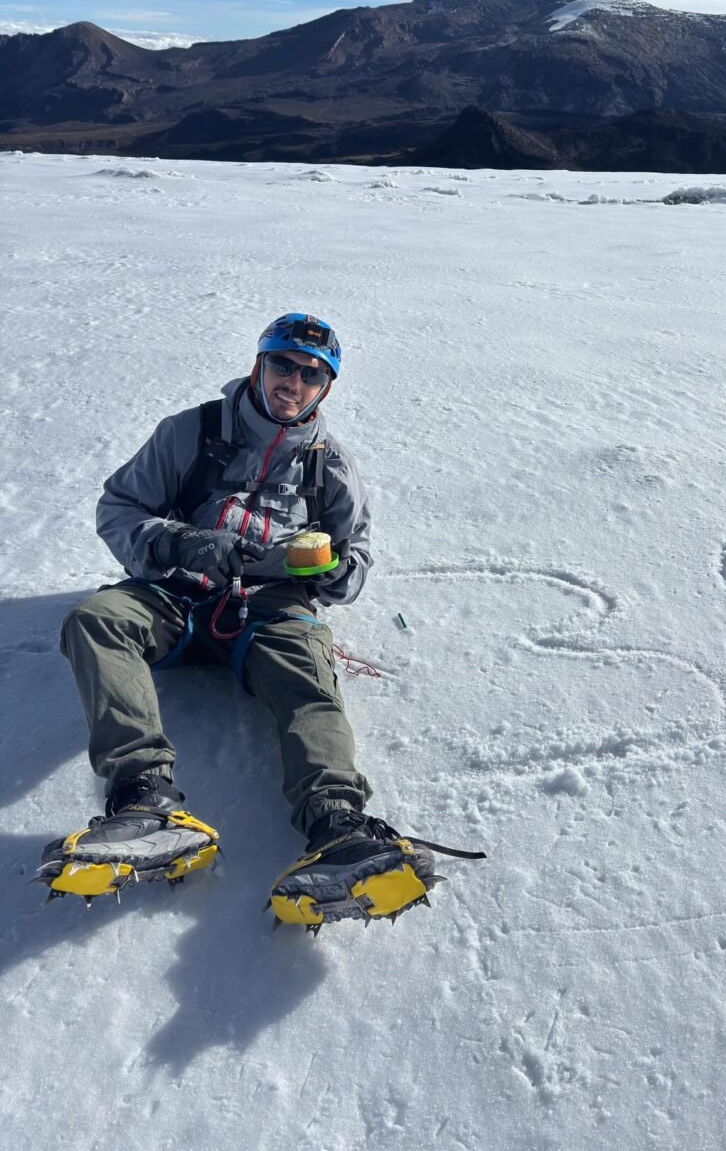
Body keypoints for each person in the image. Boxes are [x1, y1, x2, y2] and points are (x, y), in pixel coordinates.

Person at [38, 313, 481, 931]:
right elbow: (119, 507)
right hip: (174, 592)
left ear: (326, 387)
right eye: (282, 365)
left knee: (307, 676)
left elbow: (356, 561)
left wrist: (332, 572)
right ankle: (142, 799)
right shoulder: (191, 432)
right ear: (258, 365)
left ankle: (338, 825)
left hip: (270, 610)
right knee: (97, 619)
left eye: (311, 374)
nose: (293, 383)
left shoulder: (331, 467)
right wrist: (179, 542)